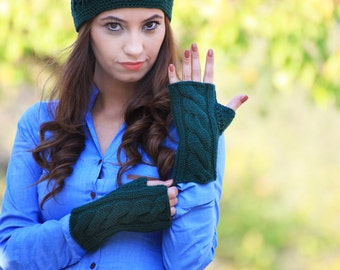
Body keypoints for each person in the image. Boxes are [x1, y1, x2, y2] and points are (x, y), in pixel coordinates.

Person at [0, 0, 248, 269]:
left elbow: (188, 262)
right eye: (114, 26)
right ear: (87, 30)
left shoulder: (193, 124)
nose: (134, 48)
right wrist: (106, 215)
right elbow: (10, 255)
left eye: (150, 25)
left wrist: (198, 144)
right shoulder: (39, 123)